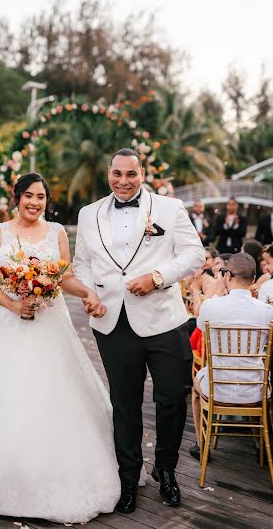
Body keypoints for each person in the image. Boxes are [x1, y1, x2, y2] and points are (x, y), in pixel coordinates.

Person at [0, 173, 121, 523]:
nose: (35, 202)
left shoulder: (58, 232)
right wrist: (14, 304)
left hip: (50, 324)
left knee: (55, 395)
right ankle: (3, 477)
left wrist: (87, 292)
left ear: (47, 200)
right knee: (7, 396)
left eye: (41, 197)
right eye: (29, 195)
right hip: (8, 324)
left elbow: (64, 277)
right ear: (16, 197)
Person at [73, 148, 205, 511]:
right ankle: (128, 480)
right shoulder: (89, 214)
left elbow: (195, 254)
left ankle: (165, 471)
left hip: (165, 321)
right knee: (125, 405)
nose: (123, 182)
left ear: (142, 173)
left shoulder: (170, 208)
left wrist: (158, 277)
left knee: (171, 401)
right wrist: (87, 294)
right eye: (117, 174)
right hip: (112, 323)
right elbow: (81, 264)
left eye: (131, 174)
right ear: (108, 173)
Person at [189, 253, 273, 460]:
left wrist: (216, 291)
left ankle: (202, 445)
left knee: (195, 390)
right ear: (253, 279)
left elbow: (199, 324)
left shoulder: (212, 307)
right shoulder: (267, 312)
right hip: (255, 390)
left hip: (217, 388)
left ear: (227, 276)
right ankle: (258, 441)